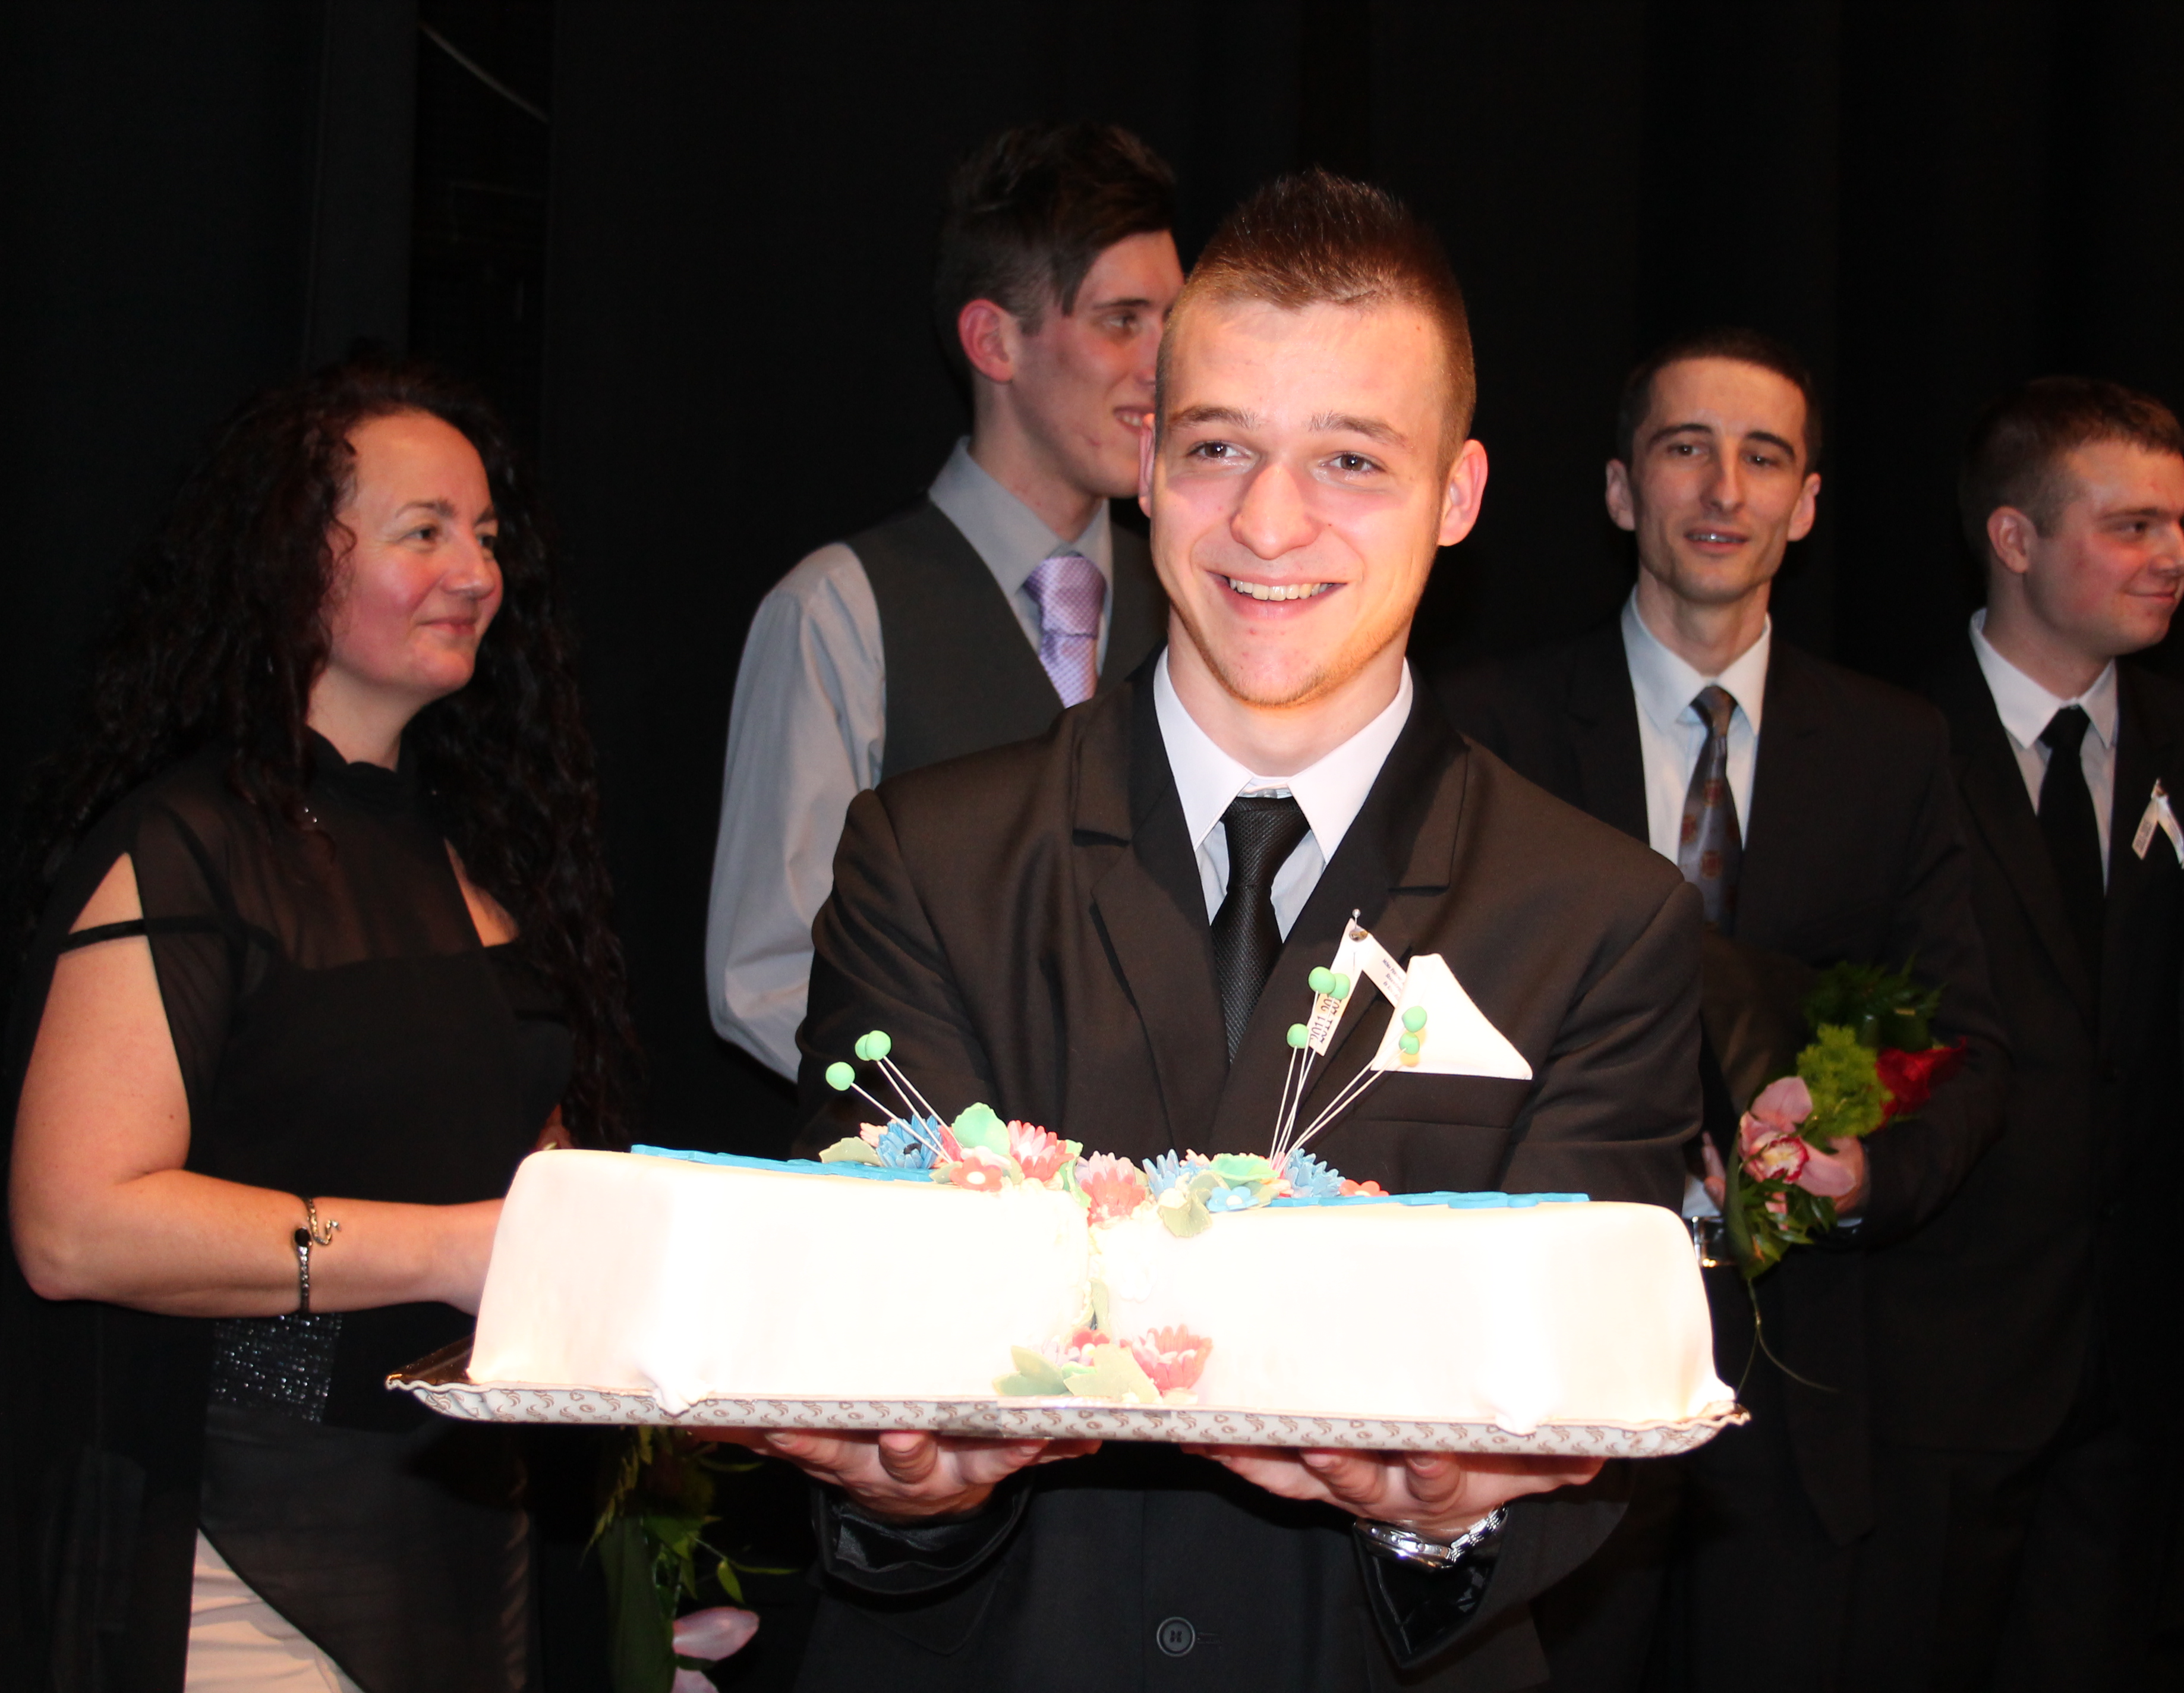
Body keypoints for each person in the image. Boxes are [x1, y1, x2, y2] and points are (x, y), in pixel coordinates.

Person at [736, 170, 1708, 1690]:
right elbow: (878, 1357)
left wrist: (1448, 1517)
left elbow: (1578, 1416)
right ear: (1146, 458)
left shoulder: (1602, 919)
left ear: (1458, 496)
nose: (1267, 520)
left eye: (1350, 459)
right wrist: (904, 1492)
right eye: (1217, 447)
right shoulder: (928, 859)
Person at [3, 358, 636, 1691]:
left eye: (487, 536)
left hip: (471, 1538)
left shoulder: (481, 849)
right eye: (426, 531)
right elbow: (72, 1227)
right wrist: (452, 1249)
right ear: (294, 561)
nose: (476, 573)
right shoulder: (186, 845)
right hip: (243, 1549)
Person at [1444, 328, 2006, 1687]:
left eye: (1764, 457)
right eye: (1685, 447)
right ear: (1621, 487)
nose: (1723, 487)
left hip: (1802, 1396)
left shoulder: (1894, 746)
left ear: (1805, 504)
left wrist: (1863, 1162)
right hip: (1555, 1375)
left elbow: (1959, 1037)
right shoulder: (1488, 727)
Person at [1857, 377, 2184, 1685]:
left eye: (2181, 524)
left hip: (2138, 1379)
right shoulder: (1885, 746)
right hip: (1933, 1368)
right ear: (2013, 539)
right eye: (2133, 526)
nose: (2176, 556)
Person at [706, 120, 1181, 1077]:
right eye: (1123, 320)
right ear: (993, 341)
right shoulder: (841, 613)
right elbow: (771, 975)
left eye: (1176, 319)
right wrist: (978, 1132)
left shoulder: (1199, 600)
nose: (1166, 363)